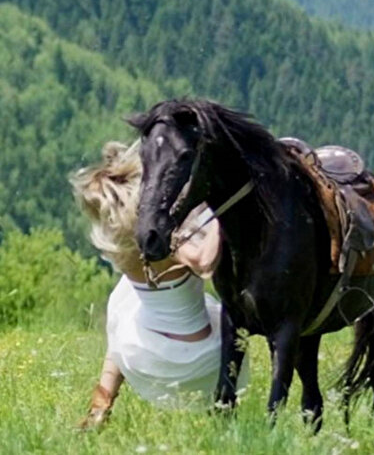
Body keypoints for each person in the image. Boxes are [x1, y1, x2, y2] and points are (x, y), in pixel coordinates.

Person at [70, 141, 249, 429]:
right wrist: (220, 214)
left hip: (146, 356)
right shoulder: (168, 241)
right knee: (125, 305)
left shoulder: (120, 247)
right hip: (203, 360)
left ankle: (100, 407)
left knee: (123, 302)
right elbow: (204, 262)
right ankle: (222, 417)